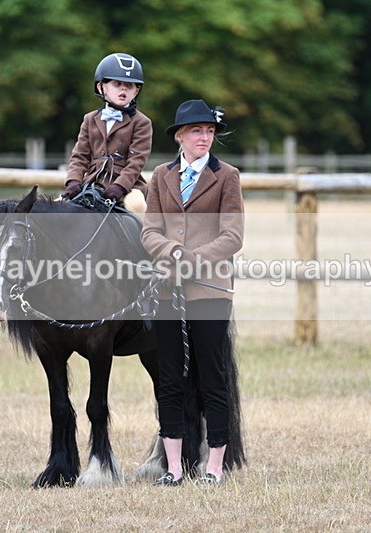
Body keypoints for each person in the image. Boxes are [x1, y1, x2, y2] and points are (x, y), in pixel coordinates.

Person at [140, 99, 245, 486]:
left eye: (210, 131)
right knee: (170, 379)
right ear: (180, 136)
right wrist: (173, 253)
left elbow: (233, 236)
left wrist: (195, 260)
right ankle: (173, 467)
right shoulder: (161, 175)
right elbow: (150, 231)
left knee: (212, 378)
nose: (205, 137)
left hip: (210, 292)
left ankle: (214, 466)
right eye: (197, 131)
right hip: (167, 292)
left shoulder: (227, 176)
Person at [62, 52, 151, 215]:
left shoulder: (142, 122)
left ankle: (148, 233)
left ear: (136, 92)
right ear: (101, 87)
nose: (123, 88)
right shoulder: (90, 119)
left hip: (127, 186)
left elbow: (136, 161)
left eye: (129, 85)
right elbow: (80, 156)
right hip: (92, 182)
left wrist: (120, 186)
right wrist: (73, 181)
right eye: (117, 84)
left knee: (138, 206)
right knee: (55, 209)